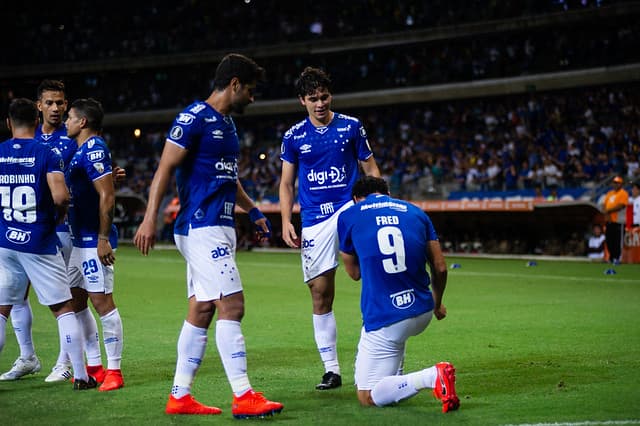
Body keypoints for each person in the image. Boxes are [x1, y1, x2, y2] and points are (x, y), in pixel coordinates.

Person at [133, 53, 283, 418]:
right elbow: (164, 169)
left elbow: (227, 179)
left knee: (201, 311)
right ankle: (244, 395)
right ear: (234, 84)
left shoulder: (228, 125)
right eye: (250, 90)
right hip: (201, 228)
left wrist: (253, 209)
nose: (252, 97)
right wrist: (149, 219)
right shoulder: (193, 119)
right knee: (232, 306)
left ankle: (179, 396)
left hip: (221, 225)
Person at [279, 66, 380, 390]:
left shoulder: (351, 127)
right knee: (320, 294)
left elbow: (369, 166)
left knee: (372, 276)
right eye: (313, 99)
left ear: (330, 95)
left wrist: (377, 203)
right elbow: (286, 183)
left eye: (324, 97)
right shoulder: (293, 136)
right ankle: (332, 370)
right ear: (302, 100)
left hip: (350, 208)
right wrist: (285, 220)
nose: (320, 103)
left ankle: (384, 352)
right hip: (314, 219)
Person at [0, 79, 103, 383]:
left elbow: (94, 168)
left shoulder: (73, 135)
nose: (56, 108)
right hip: (38, 230)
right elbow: (58, 194)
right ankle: (28, 356)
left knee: (68, 300)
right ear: (38, 108)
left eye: (61, 103)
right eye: (50, 103)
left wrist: (109, 177)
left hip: (62, 230)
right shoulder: (41, 145)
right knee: (20, 299)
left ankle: (65, 363)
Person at [337, 176, 459, 412]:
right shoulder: (416, 212)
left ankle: (432, 376)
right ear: (388, 193)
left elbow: (354, 273)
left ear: (356, 199)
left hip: (386, 316)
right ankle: (399, 378)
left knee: (368, 395)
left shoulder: (349, 215)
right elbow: (441, 267)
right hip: (422, 309)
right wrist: (437, 303)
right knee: (392, 354)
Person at [64, 98, 124, 392]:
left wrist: (102, 239)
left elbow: (107, 196)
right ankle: (94, 365)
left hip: (92, 241)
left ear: (82, 122)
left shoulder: (95, 148)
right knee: (76, 302)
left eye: (69, 117)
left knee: (103, 303)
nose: (66, 122)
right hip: (78, 240)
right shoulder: (82, 151)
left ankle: (115, 370)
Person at [601, 176, 629, 263]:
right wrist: (606, 212)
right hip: (609, 221)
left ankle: (617, 258)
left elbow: (621, 206)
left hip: (618, 221)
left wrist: (608, 211)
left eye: (618, 183)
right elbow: (604, 204)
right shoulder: (610, 193)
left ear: (621, 184)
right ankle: (612, 257)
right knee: (609, 240)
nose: (615, 184)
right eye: (614, 182)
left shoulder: (623, 193)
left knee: (618, 241)